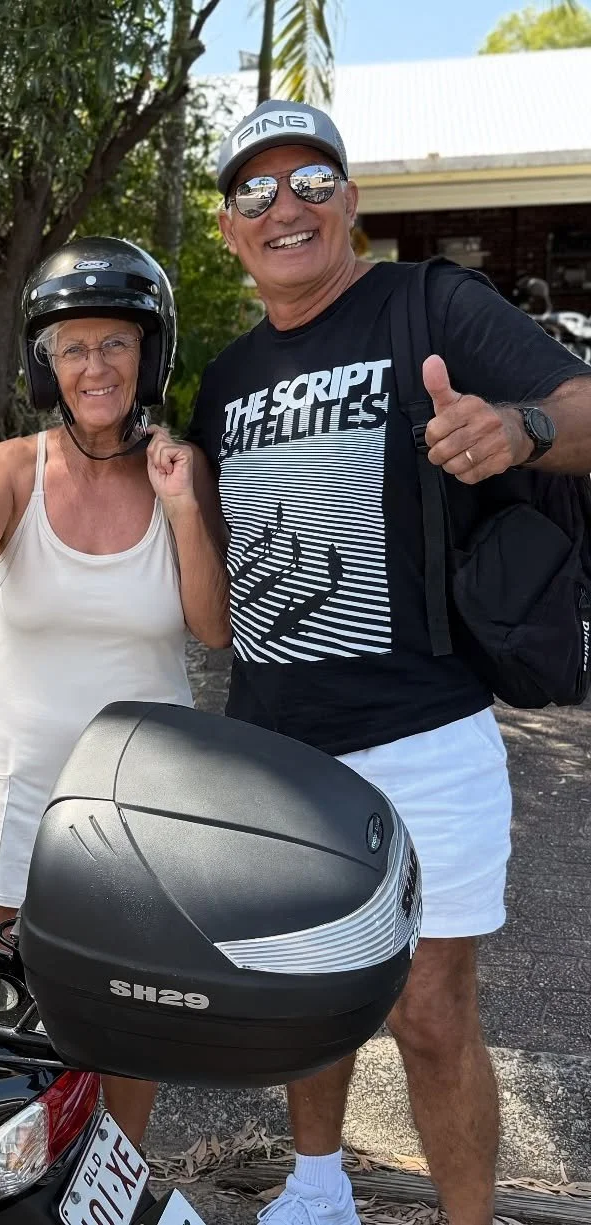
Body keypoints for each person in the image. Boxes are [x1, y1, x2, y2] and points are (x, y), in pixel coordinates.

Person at [187, 100, 591, 1225]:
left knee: (430, 1011)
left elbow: (583, 404)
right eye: (256, 192)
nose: (286, 207)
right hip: (277, 744)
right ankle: (317, 1190)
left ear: (351, 203)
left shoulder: (430, 302)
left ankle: (467, 1217)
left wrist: (522, 431)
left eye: (312, 180)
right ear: (230, 231)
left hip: (425, 731)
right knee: (305, 995)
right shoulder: (221, 381)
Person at [0, 236, 232, 1146]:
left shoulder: (182, 468)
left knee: (137, 1007)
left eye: (116, 343)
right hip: (26, 785)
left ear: (150, 352)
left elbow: (211, 628)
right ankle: (25, 1172)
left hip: (148, 798)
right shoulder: (18, 466)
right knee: (17, 1001)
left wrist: (180, 508)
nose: (96, 366)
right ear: (46, 361)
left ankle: (113, 1176)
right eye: (74, 347)